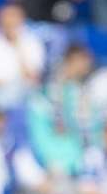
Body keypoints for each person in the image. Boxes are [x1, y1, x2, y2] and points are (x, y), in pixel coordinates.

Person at [27, 44, 97, 176]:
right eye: (78, 61)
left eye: (86, 62)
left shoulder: (84, 93)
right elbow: (39, 130)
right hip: (52, 157)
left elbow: (90, 131)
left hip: (80, 158)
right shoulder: (46, 93)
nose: (82, 66)